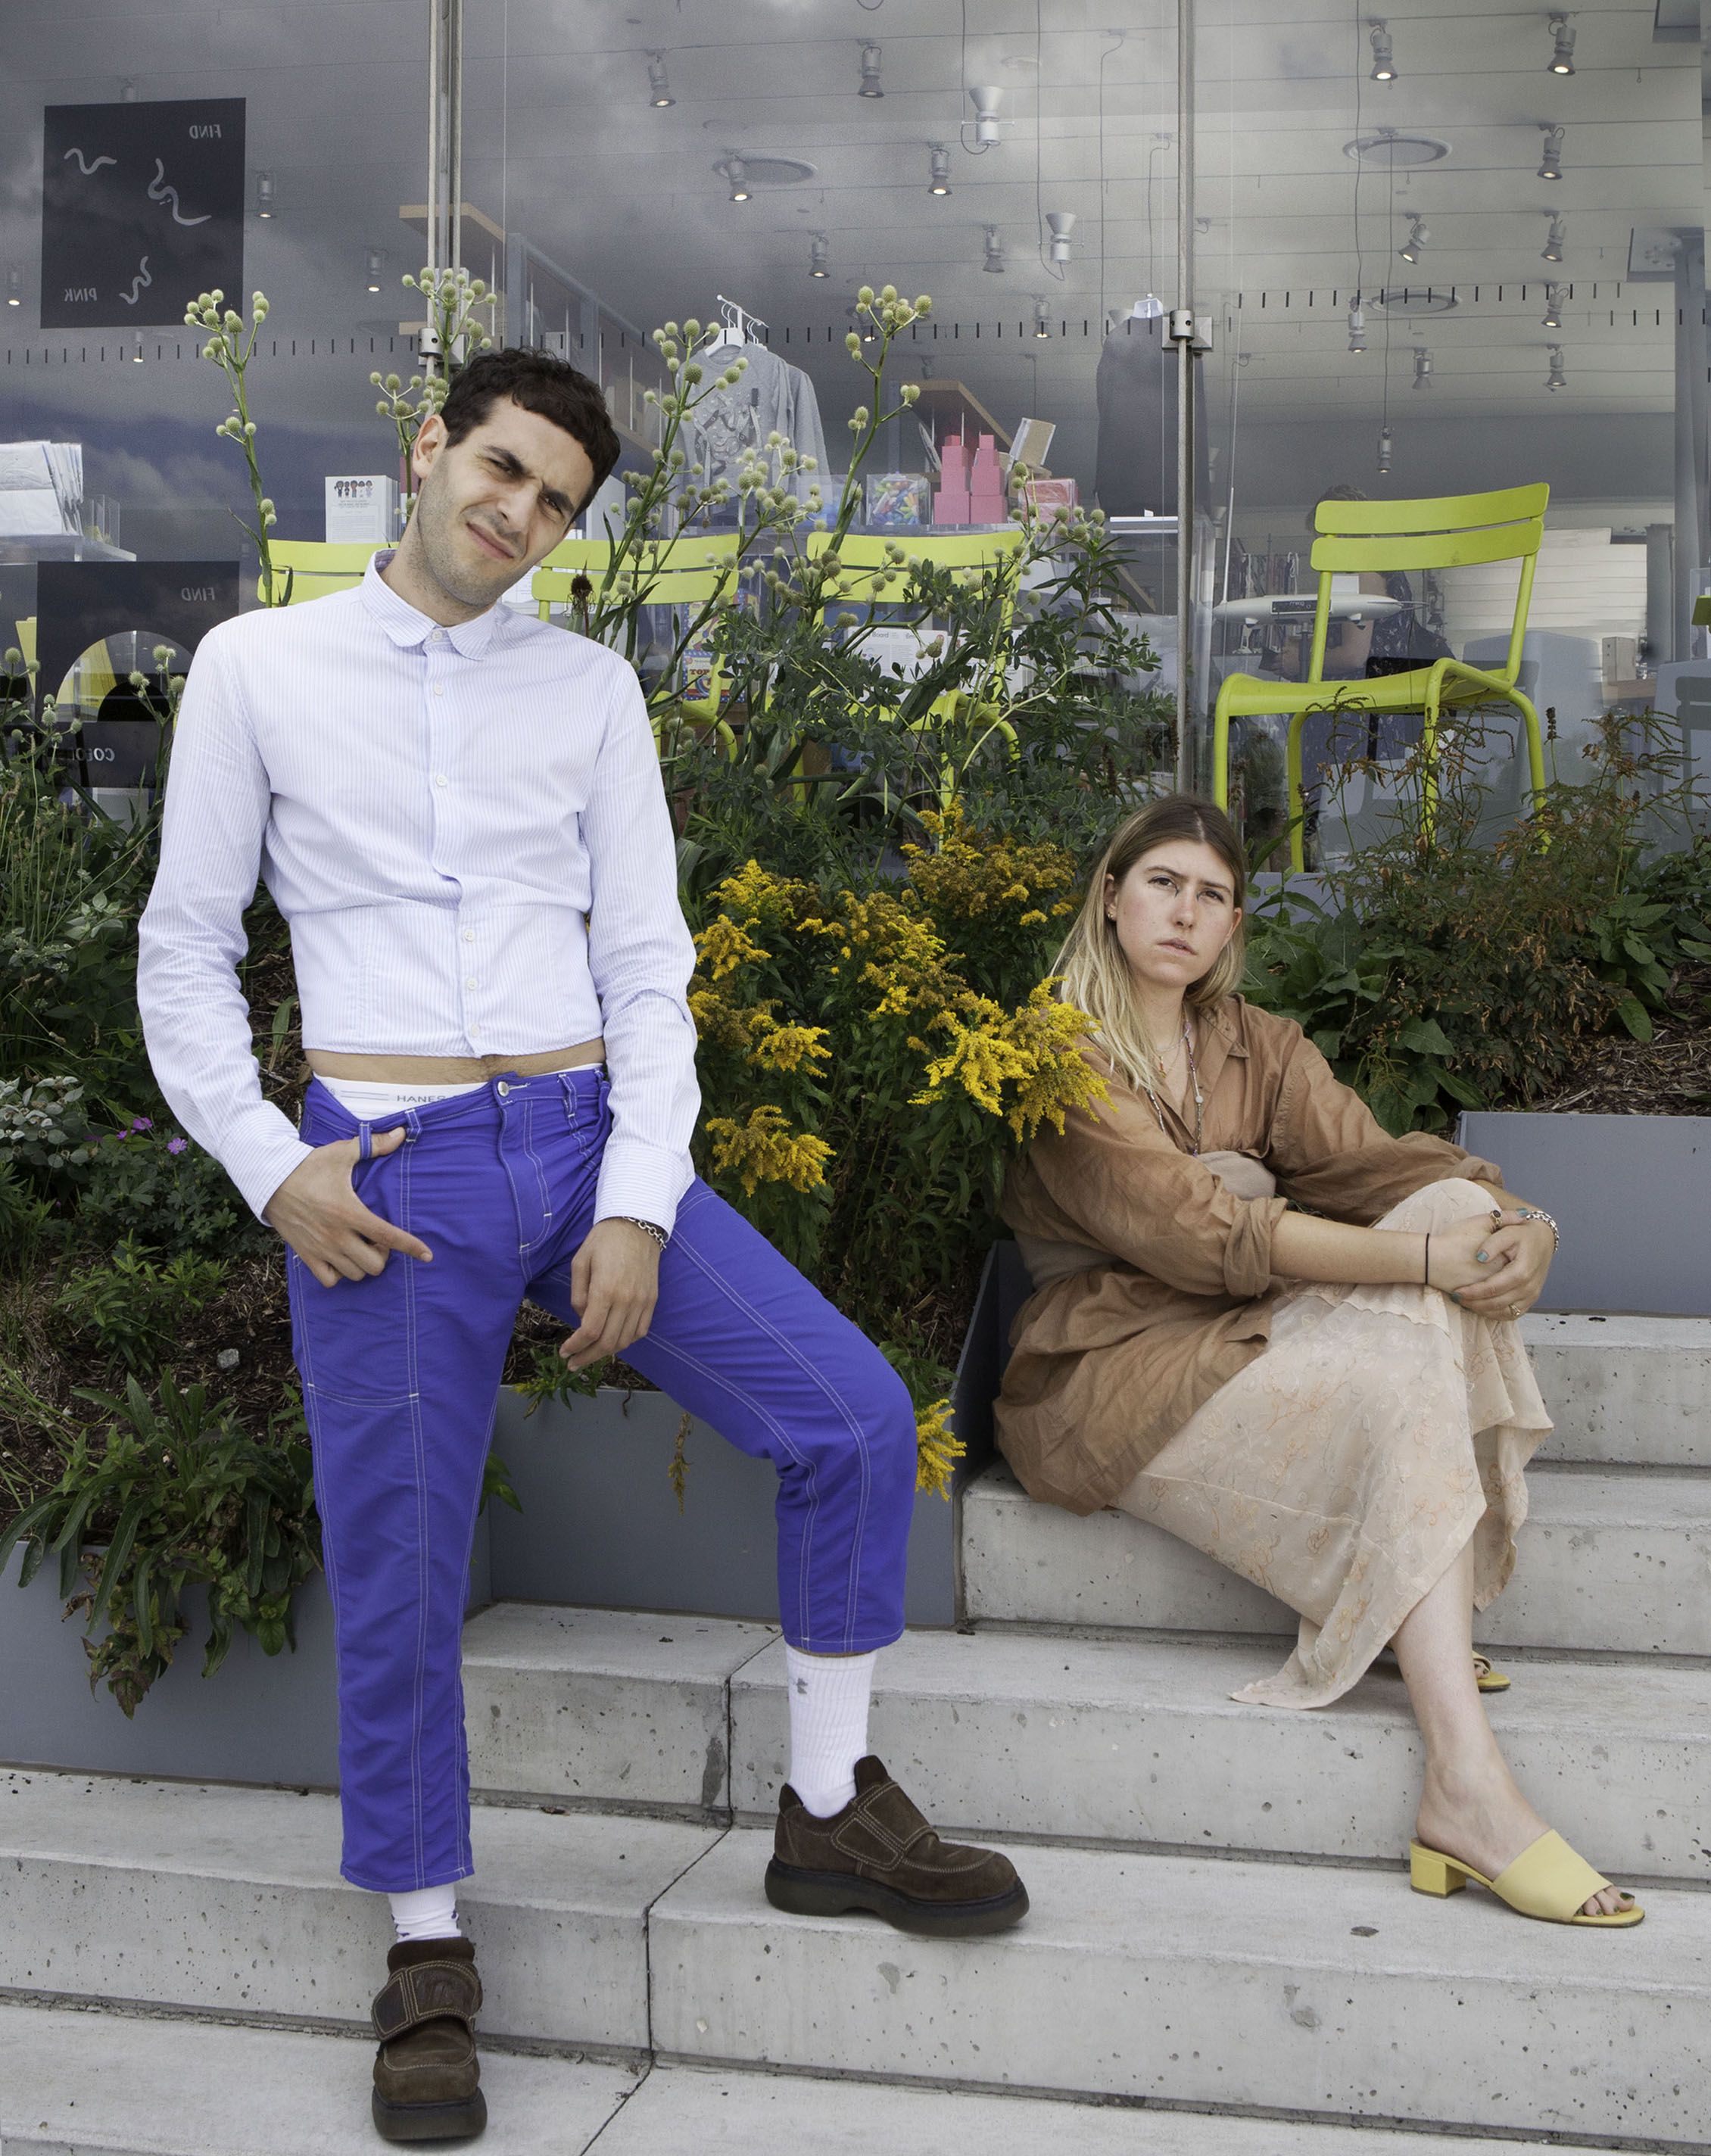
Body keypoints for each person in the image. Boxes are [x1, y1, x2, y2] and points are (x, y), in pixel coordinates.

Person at [136, 348, 1027, 2146]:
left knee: (852, 1415)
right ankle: (424, 1951)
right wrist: (266, 1166)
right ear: (428, 449)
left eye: (553, 500)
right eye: (500, 470)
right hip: (383, 1174)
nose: (517, 515)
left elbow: (647, 964)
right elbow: (178, 948)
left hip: (583, 1137)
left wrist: (634, 1196)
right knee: (396, 1555)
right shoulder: (258, 669)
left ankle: (825, 1799)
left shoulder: (590, 687)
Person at [996, 794, 1641, 1931]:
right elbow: (1204, 1233)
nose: (1185, 913)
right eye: (1162, 883)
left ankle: (1410, 1619)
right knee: (1410, 1338)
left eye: (1212, 895)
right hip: (1112, 1362)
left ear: (1234, 922)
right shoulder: (1058, 1049)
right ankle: (1468, 1784)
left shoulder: (1256, 1043)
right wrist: (1426, 1258)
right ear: (1110, 895)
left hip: (1240, 1320)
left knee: (1447, 1207)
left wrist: (1516, 1217)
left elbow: (1383, 1169)